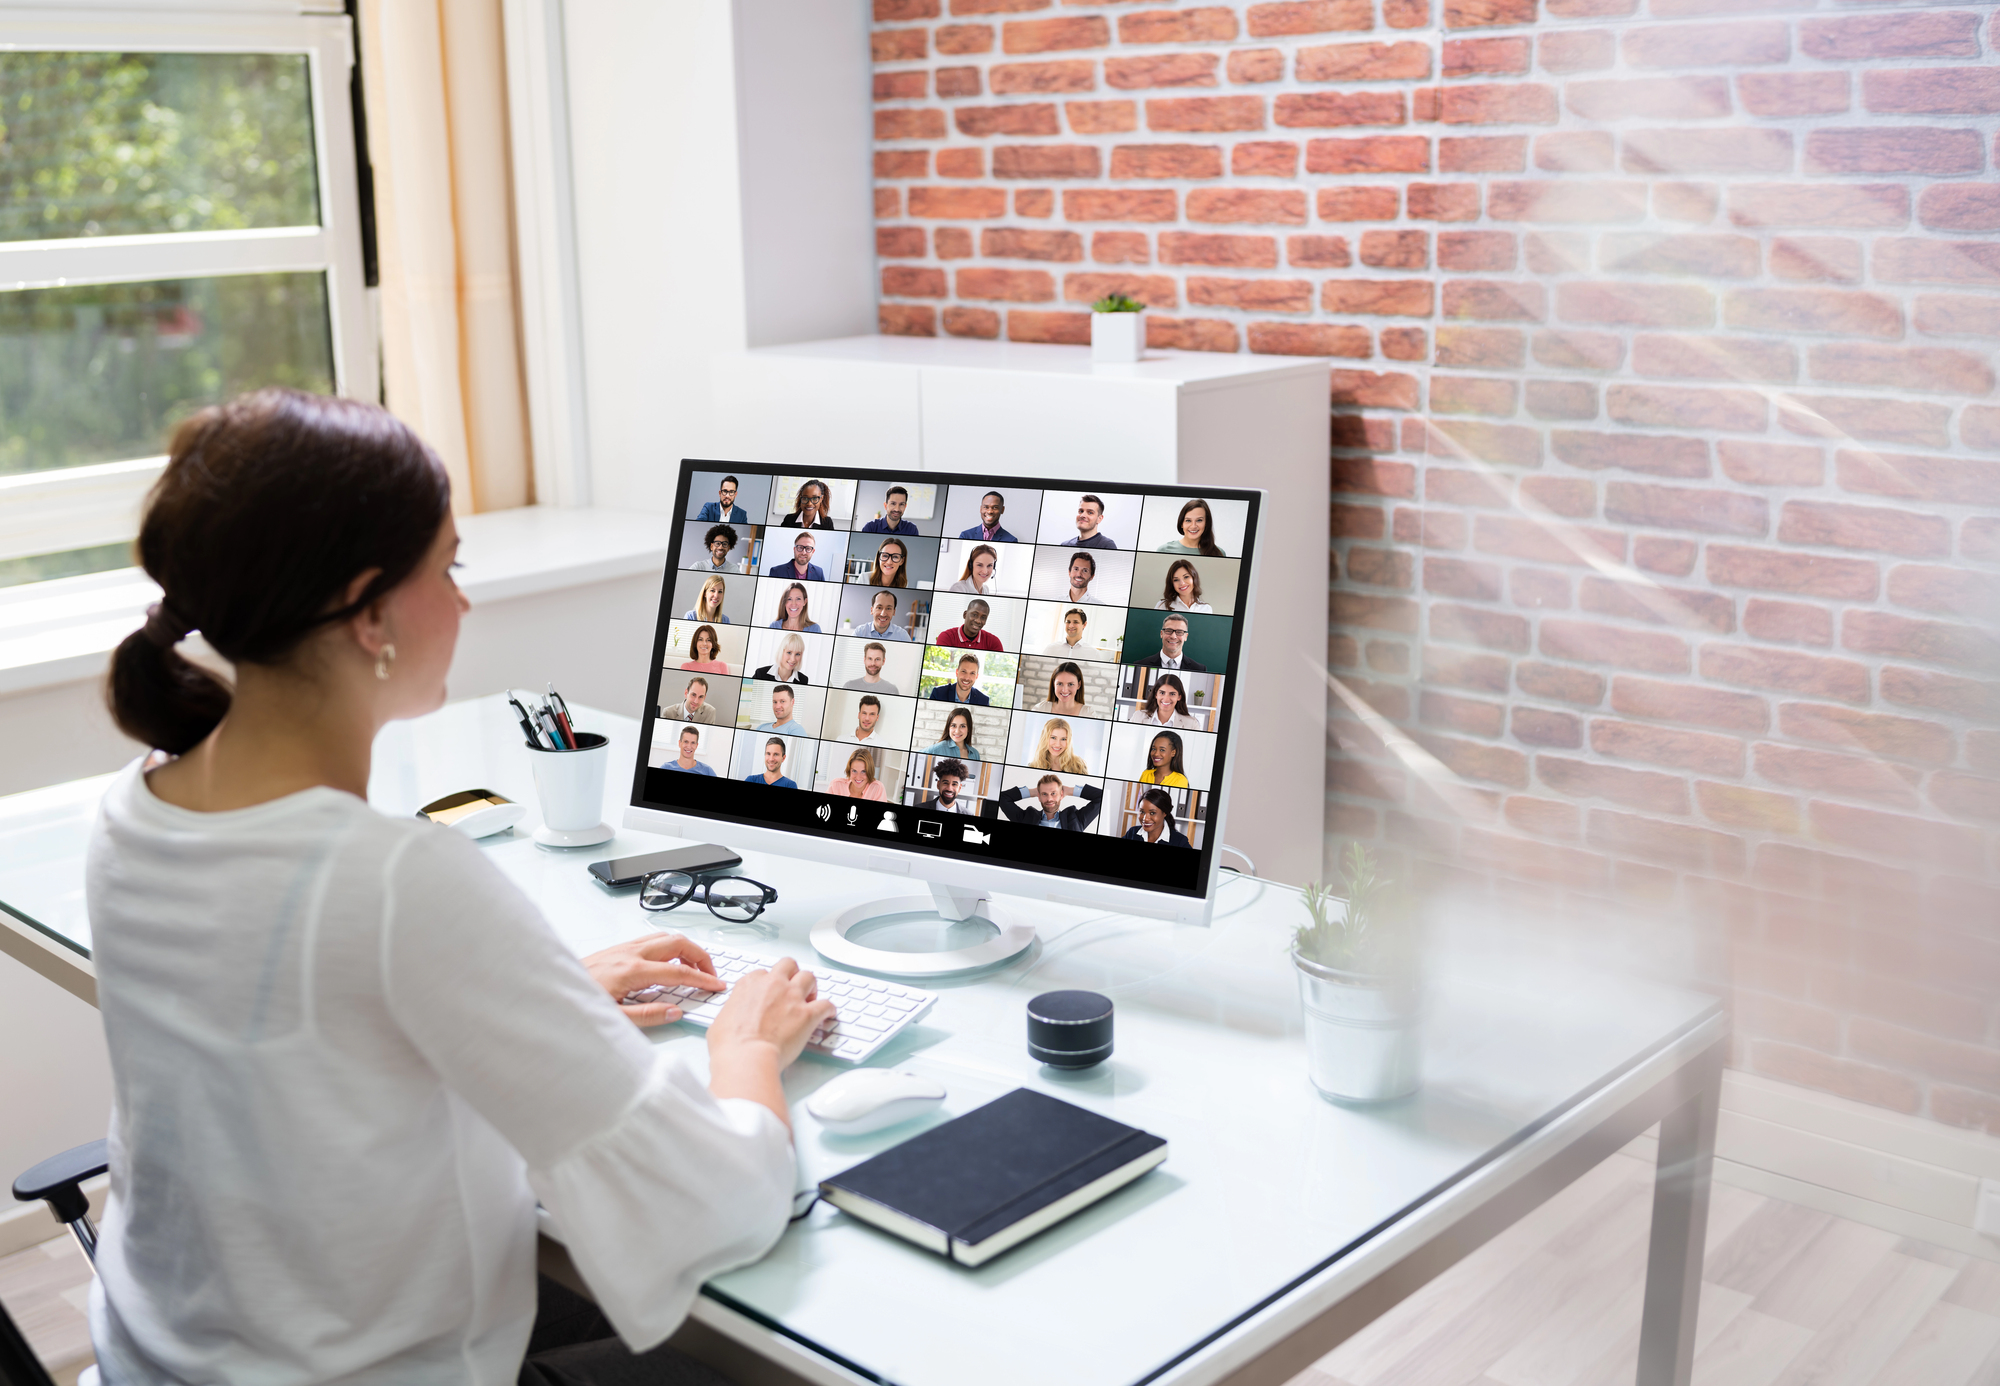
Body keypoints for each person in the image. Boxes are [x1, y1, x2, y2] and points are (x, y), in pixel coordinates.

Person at [90, 389, 831, 1384]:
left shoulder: (134, 809)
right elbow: (712, 1202)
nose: (464, 601)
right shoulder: (395, 880)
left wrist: (533, 997)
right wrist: (747, 1050)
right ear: (370, 614)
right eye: (449, 568)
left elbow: (297, 1053)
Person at [997, 776, 1102, 831]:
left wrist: (1070, 790)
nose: (1049, 799)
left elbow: (1101, 797)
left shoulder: (1075, 818)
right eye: (1044, 794)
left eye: (1053, 793)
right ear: (1039, 796)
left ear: (1061, 795)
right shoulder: (1027, 817)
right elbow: (1002, 798)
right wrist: (1033, 792)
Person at [1157, 497, 1225, 557]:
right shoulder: (1164, 550)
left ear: (1206, 523)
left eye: (1199, 520)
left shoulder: (1218, 553)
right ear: (1181, 523)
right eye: (1188, 520)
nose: (1193, 526)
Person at [1124, 787, 1192, 846]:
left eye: (1152, 813)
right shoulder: (1132, 833)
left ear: (1165, 813)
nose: (1145, 819)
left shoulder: (1180, 841)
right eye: (1142, 812)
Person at [1142, 613, 1208, 672]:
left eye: (1179, 632)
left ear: (1186, 637)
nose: (1173, 636)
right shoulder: (1141, 664)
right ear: (1161, 634)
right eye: (1168, 631)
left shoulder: (1199, 669)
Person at [1131, 672, 1197, 729]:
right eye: (1162, 693)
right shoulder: (1138, 717)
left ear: (1179, 697)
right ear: (1156, 694)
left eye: (1172, 694)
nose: (1166, 699)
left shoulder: (1191, 724)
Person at [936, 597, 1003, 651]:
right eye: (974, 615)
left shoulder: (994, 642)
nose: (978, 621)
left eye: (983, 617)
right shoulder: (946, 637)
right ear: (965, 615)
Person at [1041, 606, 1106, 661]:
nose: (1071, 625)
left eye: (1075, 622)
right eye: (1068, 622)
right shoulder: (1050, 649)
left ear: (1084, 624)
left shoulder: (1093, 654)